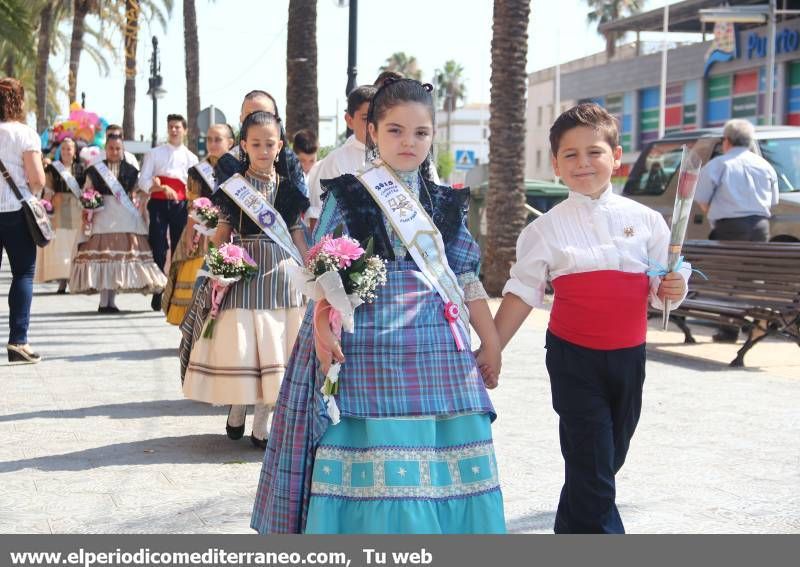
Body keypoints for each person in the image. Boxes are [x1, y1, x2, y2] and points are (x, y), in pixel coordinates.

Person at [251, 78, 505, 534]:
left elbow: (466, 278)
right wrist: (323, 332)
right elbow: (323, 268)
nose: (409, 142)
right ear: (372, 131)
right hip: (366, 347)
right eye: (395, 130)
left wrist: (491, 343)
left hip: (438, 356)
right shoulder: (348, 193)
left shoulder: (446, 203)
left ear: (433, 135)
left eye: (421, 133)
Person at [491, 103, 690, 534]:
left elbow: (662, 290)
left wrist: (673, 287)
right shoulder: (544, 230)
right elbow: (523, 291)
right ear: (557, 164)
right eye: (570, 155)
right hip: (573, 359)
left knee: (602, 460)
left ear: (617, 158)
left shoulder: (649, 222)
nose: (583, 163)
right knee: (594, 462)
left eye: (594, 152)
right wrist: (491, 350)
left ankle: (570, 531)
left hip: (629, 359)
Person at [179, 111, 309, 449]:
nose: (263, 150)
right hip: (245, 271)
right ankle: (237, 407)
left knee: (277, 345)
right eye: (256, 144)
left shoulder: (290, 190)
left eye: (270, 143)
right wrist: (221, 266)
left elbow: (297, 234)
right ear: (244, 146)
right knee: (243, 345)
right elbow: (222, 234)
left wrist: (311, 266)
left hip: (281, 274)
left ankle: (264, 421)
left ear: (280, 146)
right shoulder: (233, 189)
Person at [694, 118, 779, 342]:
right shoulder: (765, 165)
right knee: (749, 279)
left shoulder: (719, 164)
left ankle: (728, 330)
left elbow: (702, 199)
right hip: (760, 227)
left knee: (726, 281)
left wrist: (716, 212)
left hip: (729, 227)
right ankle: (746, 324)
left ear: (727, 141)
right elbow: (773, 200)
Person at [69, 134, 166, 311]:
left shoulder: (131, 170)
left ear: (123, 150)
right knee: (103, 257)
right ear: (106, 149)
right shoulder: (94, 170)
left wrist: (154, 187)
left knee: (119, 257)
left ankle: (111, 302)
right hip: (102, 215)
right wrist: (87, 205)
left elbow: (140, 189)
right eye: (111, 148)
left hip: (124, 216)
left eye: (118, 148)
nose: (114, 151)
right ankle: (103, 302)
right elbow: (87, 190)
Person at [162, 123, 235, 325]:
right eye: (209, 139)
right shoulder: (197, 171)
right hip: (201, 232)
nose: (212, 143)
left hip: (229, 231)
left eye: (218, 139)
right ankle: (191, 326)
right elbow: (192, 205)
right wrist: (188, 236)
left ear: (230, 142)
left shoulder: (238, 168)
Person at [0, 78, 46, 363]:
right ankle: (18, 341)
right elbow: (38, 180)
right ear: (19, 101)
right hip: (17, 212)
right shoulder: (26, 134)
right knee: (22, 274)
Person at [138, 114, 199, 311]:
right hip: (158, 203)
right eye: (171, 127)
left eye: (178, 127)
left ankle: (174, 290)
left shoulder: (191, 158)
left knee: (178, 247)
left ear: (185, 130)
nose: (174, 130)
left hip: (180, 206)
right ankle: (158, 289)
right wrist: (160, 187)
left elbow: (194, 186)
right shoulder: (154, 153)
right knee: (158, 245)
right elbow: (143, 180)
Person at [305, 85, 376, 229]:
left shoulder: (397, 158)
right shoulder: (335, 161)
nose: (373, 125)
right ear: (349, 120)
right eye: (365, 118)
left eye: (379, 117)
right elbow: (318, 220)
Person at [35, 137, 85, 293]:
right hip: (59, 208)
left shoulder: (81, 169)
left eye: (69, 149)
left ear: (75, 152)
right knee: (61, 245)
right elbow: (48, 187)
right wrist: (46, 201)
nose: (65, 152)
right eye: (63, 149)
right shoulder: (53, 169)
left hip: (76, 210)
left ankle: (74, 279)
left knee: (75, 244)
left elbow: (86, 188)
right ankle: (62, 281)